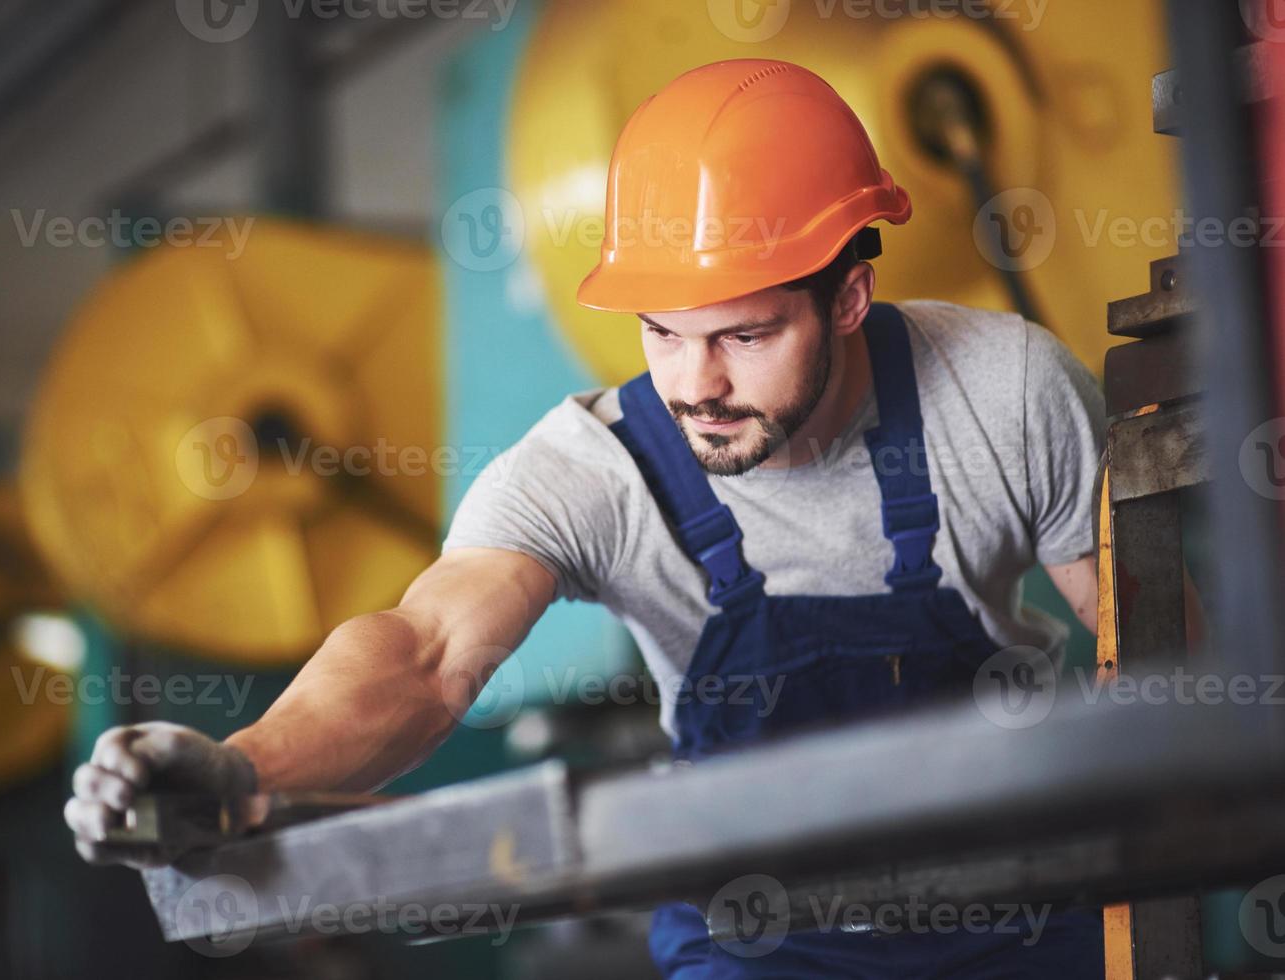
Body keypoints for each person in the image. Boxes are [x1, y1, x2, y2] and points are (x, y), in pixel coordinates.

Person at [65, 59, 1106, 976]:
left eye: (744, 335)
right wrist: (243, 767)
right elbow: (422, 652)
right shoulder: (593, 470)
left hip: (1023, 924)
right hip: (764, 944)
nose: (696, 383)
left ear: (846, 296)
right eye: (661, 332)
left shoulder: (1004, 390)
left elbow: (1142, 641)